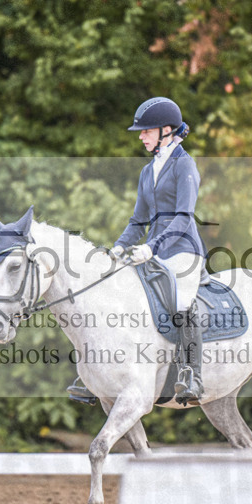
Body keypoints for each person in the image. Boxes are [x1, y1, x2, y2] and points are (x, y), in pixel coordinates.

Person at [68, 97, 208, 406]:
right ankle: (95, 374)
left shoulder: (185, 165)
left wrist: (152, 247)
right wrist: (118, 248)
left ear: (166, 130)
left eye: (146, 131)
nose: (141, 136)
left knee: (182, 302)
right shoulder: (148, 171)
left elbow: (184, 218)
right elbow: (138, 220)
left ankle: (191, 374)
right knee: (115, 288)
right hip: (152, 249)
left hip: (183, 248)